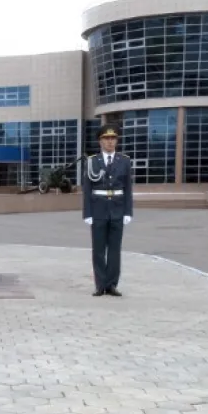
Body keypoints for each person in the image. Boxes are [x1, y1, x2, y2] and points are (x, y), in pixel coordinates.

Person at [82, 124, 134, 297]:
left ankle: (111, 284)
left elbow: (128, 188)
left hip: (118, 209)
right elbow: (87, 189)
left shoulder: (124, 161)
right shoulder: (92, 161)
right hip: (98, 209)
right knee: (98, 249)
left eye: (113, 138)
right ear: (100, 141)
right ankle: (100, 285)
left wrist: (128, 212)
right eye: (107, 138)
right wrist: (87, 213)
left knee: (114, 250)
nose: (110, 142)